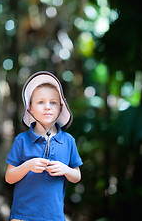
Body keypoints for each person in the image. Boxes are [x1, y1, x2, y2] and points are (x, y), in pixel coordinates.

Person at [5, 71, 83, 221]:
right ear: (30, 108)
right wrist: (28, 165)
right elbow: (9, 177)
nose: (47, 107)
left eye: (53, 102)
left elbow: (77, 176)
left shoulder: (68, 141)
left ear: (61, 108)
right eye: (40, 102)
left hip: (54, 217)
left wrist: (65, 170)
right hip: (22, 216)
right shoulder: (22, 140)